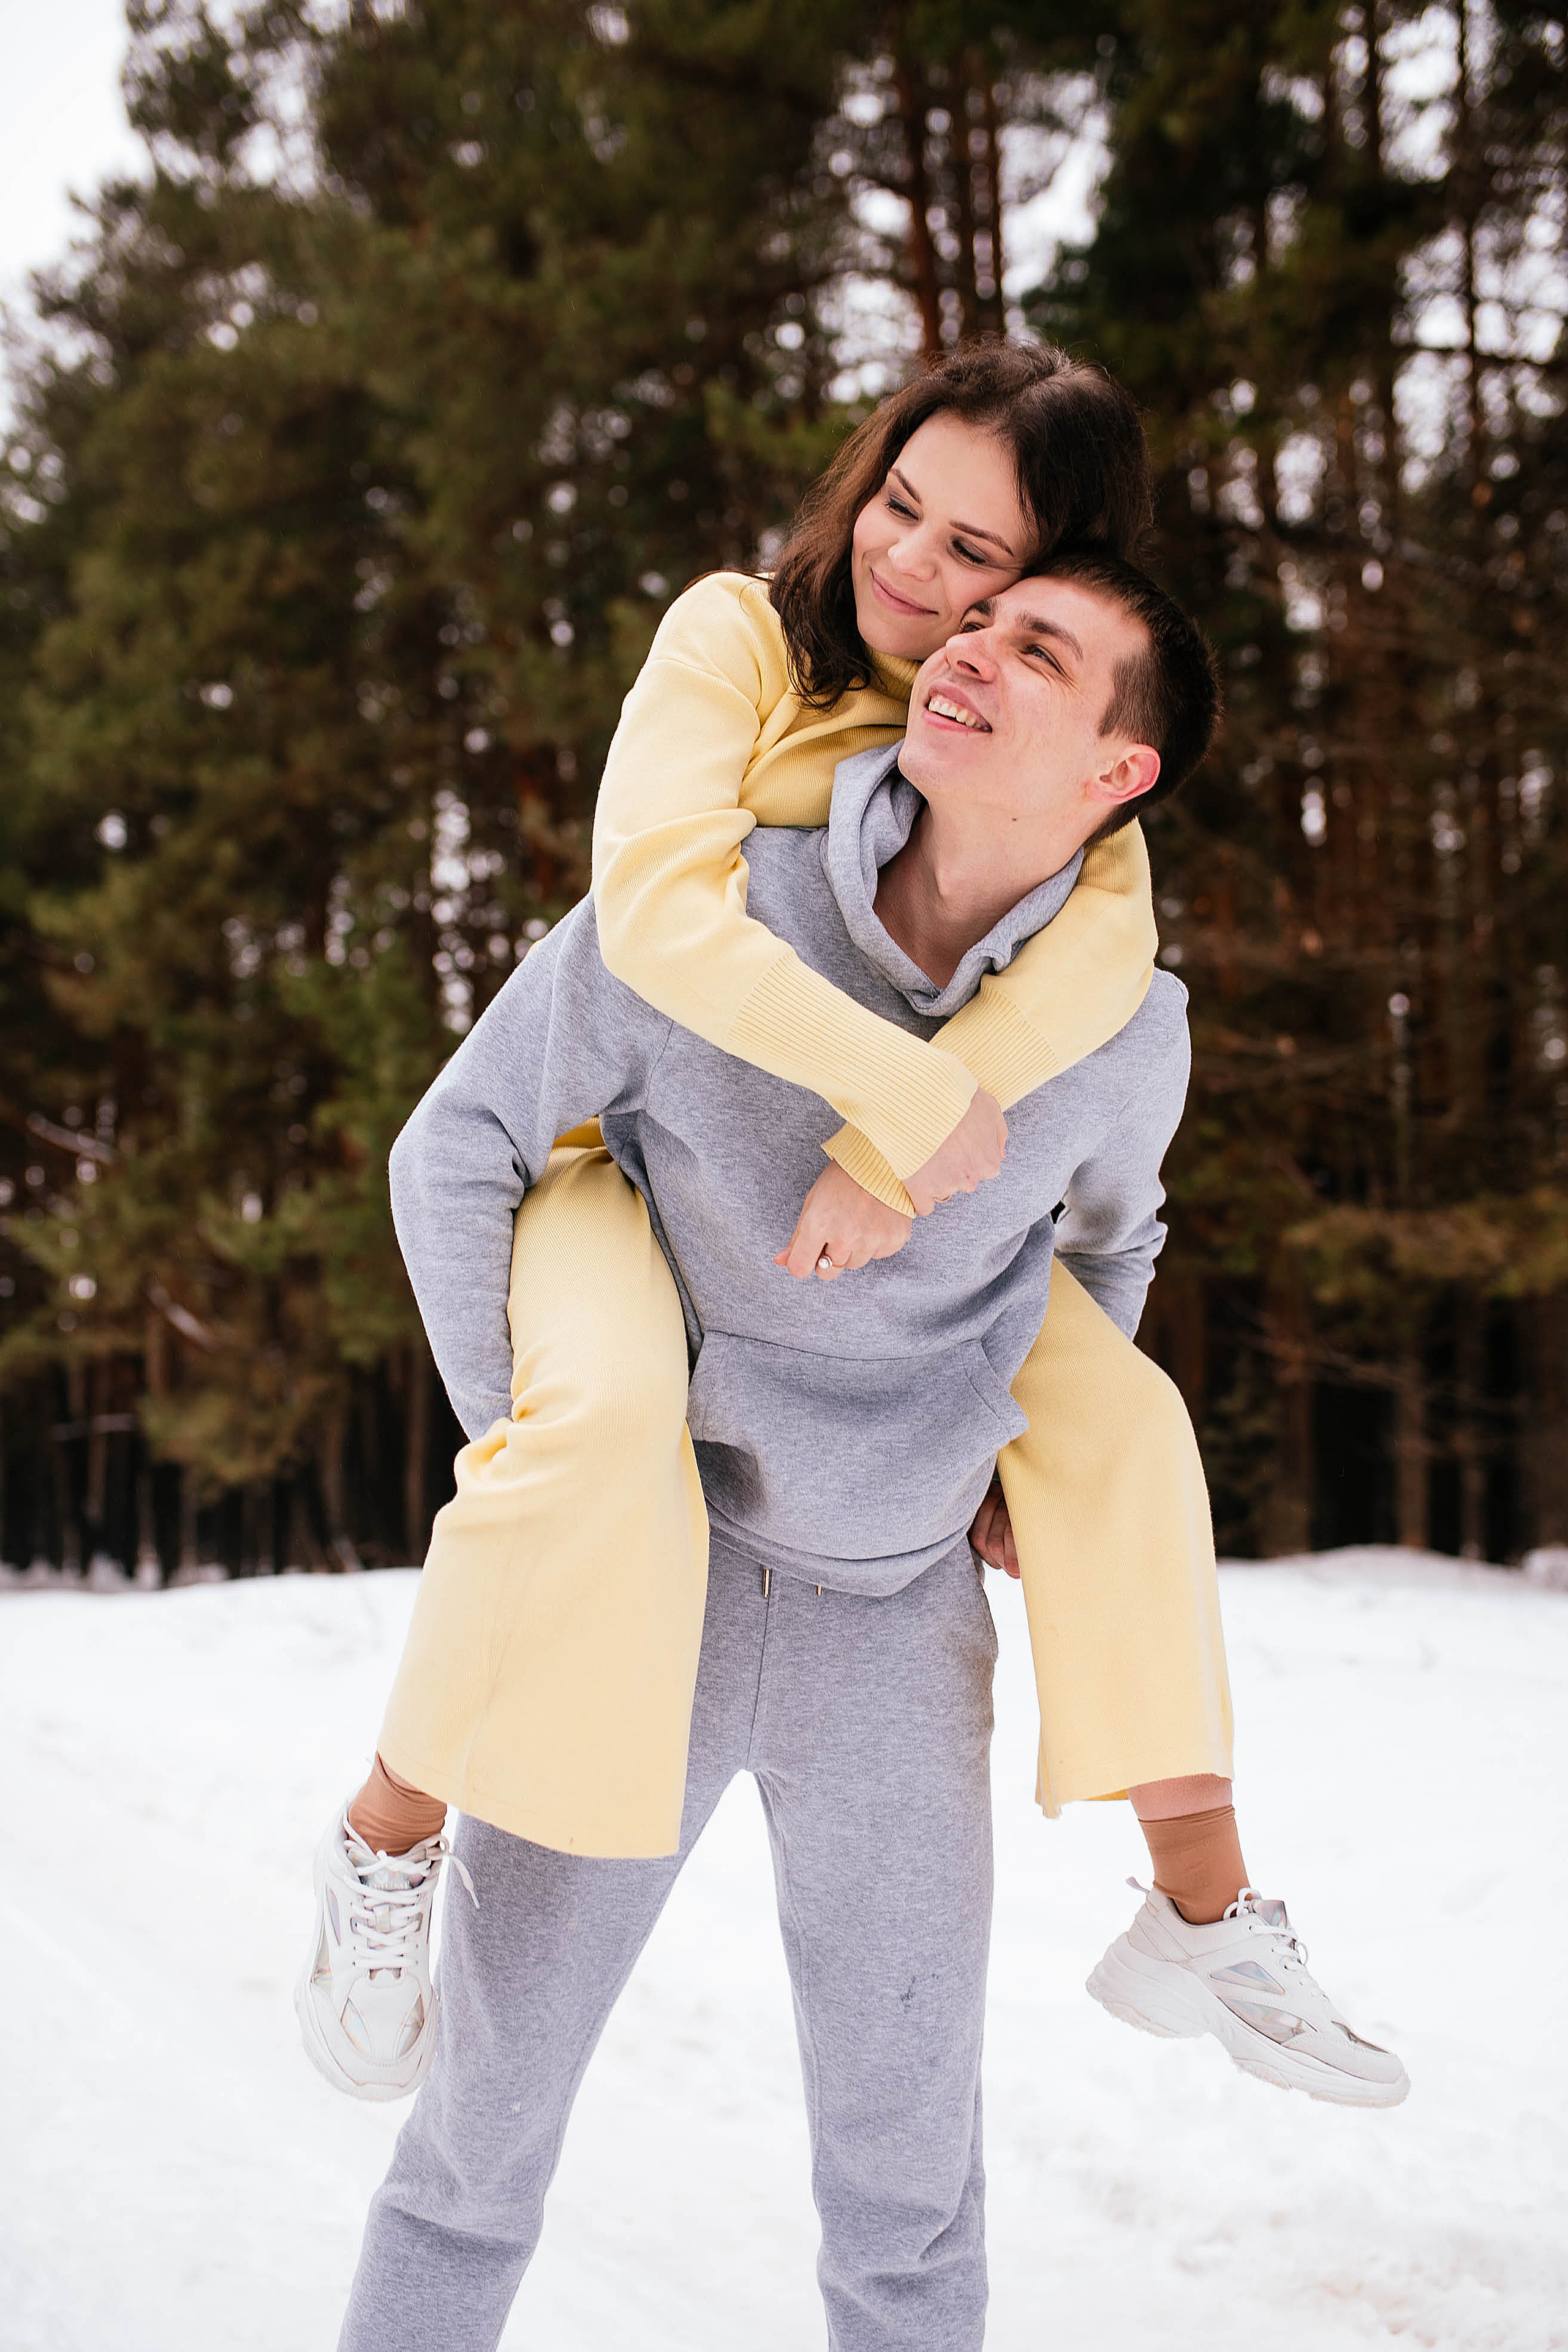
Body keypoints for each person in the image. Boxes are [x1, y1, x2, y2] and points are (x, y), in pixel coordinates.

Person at [330, 557, 1405, 2352]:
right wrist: (539, 1468)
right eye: (977, 620)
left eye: (1039, 650)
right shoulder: (704, 914)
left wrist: (1016, 1454)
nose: (967, 645)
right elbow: (459, 1150)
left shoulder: (1129, 1034)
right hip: (640, 1615)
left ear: (1117, 776)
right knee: (476, 2155)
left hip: (899, 1639)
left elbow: (1108, 1246)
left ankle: (1204, 1902)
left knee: (907, 2211)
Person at [300, 345, 1221, 2108]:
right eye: (898, 505)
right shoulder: (739, 638)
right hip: (600, 1164)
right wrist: (894, 1101)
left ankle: (1209, 1885)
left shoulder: (1013, 739)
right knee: (604, 1431)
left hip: (856, 1324)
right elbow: (649, 912)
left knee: (1129, 1420)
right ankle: (384, 1831)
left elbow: (1102, 973)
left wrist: (927, 1185)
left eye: (978, 560)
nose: (912, 573)